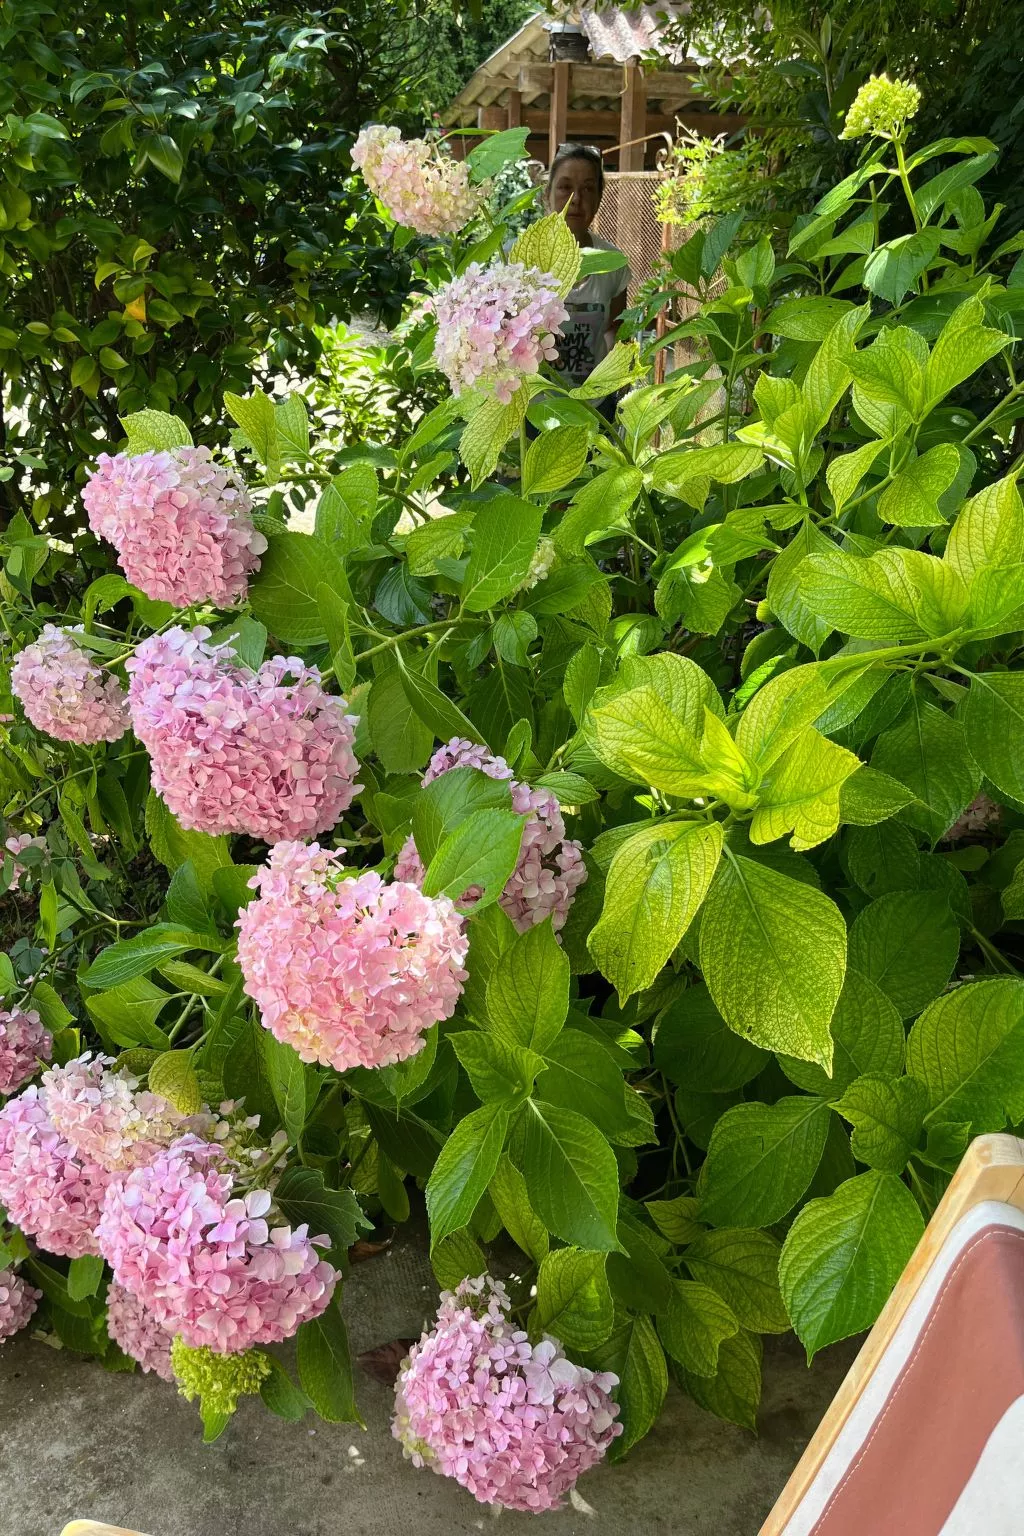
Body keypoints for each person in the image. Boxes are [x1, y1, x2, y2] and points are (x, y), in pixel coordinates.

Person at [543, 143, 631, 393]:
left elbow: (614, 329)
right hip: (536, 409)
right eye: (565, 187)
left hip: (594, 403)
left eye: (588, 189)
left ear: (599, 198)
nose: (576, 199)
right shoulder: (515, 260)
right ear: (547, 193)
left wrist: (619, 382)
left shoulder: (611, 262)